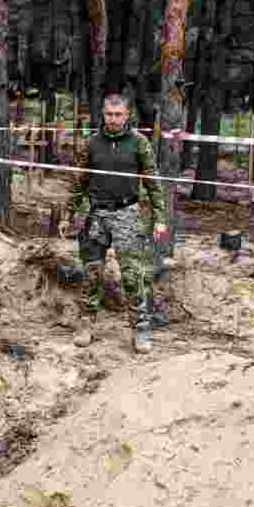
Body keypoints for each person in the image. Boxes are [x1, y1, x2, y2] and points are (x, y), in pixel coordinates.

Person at [60, 94, 169, 354]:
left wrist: (160, 218)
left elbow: (153, 182)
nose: (113, 119)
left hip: (127, 214)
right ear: (103, 114)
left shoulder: (139, 143)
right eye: (109, 114)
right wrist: (68, 214)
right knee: (92, 272)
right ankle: (86, 324)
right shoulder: (91, 144)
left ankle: (141, 328)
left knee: (132, 275)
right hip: (97, 214)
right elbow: (78, 182)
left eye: (118, 114)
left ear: (127, 115)